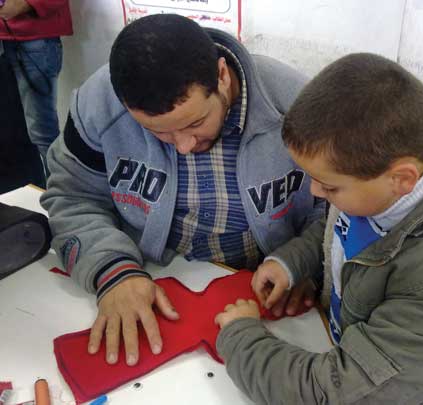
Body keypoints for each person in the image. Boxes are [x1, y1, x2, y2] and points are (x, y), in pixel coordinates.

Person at [215, 53, 423, 404]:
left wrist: (240, 336)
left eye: (329, 186)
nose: (314, 192)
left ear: (401, 179)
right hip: (359, 347)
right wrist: (293, 262)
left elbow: (332, 395)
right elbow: (341, 223)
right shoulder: (397, 167)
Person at [40, 14, 324, 367]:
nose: (184, 145)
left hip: (268, 288)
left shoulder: (300, 104)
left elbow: (335, 208)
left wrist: (302, 260)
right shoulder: (99, 104)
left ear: (221, 76)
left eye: (195, 122)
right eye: (158, 132)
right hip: (151, 275)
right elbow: (72, 197)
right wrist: (113, 272)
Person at [0, 0, 72, 177]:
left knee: (41, 132)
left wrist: (27, 4)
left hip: (34, 39)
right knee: (9, 128)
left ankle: (61, 194)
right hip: (8, 40)